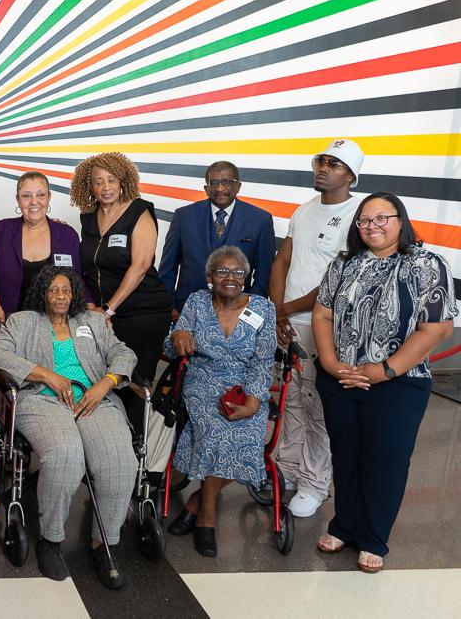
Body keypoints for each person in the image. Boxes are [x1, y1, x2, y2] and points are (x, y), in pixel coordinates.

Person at [312, 193, 456, 574]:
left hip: (398, 384)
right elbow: (323, 313)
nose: (372, 226)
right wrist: (330, 362)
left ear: (400, 220)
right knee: (345, 454)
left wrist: (384, 370)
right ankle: (344, 525)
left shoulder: (427, 264)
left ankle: (373, 537)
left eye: (382, 218)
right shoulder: (344, 263)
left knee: (385, 461)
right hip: (340, 378)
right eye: (364, 220)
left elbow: (437, 327)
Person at [0, 266, 137, 589]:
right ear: (43, 292)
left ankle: (104, 544)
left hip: (92, 400)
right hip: (42, 401)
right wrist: (46, 375)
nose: (59, 296)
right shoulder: (23, 321)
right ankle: (51, 541)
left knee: (121, 461)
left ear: (74, 295)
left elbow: (123, 353)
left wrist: (106, 384)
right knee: (66, 455)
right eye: (53, 290)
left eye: (66, 291)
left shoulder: (93, 322)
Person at [271, 139, 364, 519]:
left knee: (318, 407)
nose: (323, 168)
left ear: (351, 175)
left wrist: (288, 310)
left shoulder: (359, 214)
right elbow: (282, 261)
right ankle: (288, 472)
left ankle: (314, 483)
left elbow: (335, 281)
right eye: (321, 161)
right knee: (289, 401)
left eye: (334, 164)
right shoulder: (303, 209)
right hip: (287, 323)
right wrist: (278, 314)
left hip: (323, 327)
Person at [164, 246, 277, 557]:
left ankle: (196, 503)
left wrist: (254, 402)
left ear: (247, 277)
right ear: (209, 277)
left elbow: (263, 361)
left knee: (248, 432)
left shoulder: (264, 309)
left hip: (245, 384)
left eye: (238, 272)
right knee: (215, 430)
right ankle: (207, 518)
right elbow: (175, 342)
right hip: (203, 380)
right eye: (222, 272)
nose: (230, 278)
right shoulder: (197, 302)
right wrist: (177, 337)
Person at [72, 152, 173, 428]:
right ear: (88, 187)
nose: (105, 187)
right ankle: (108, 450)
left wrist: (110, 309)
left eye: (111, 180)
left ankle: (137, 456)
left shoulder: (139, 211)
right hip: (103, 317)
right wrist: (97, 307)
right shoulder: (88, 219)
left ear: (122, 182)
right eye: (98, 181)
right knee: (102, 380)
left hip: (142, 313)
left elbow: (140, 266)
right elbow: (87, 268)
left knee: (133, 383)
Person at [158, 161, 276, 315]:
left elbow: (264, 273)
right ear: (206, 189)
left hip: (237, 311)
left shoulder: (260, 220)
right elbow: (168, 267)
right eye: (213, 182)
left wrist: (249, 308)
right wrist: (168, 305)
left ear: (238, 186)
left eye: (227, 181)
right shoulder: (183, 216)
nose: (220, 188)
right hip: (186, 308)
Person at [0, 171, 92, 321]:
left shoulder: (67, 235)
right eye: (26, 196)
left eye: (40, 195)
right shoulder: (0, 231)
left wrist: (92, 312)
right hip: (9, 322)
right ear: (18, 199)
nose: (34, 201)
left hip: (59, 324)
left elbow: (79, 281)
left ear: (49, 197)